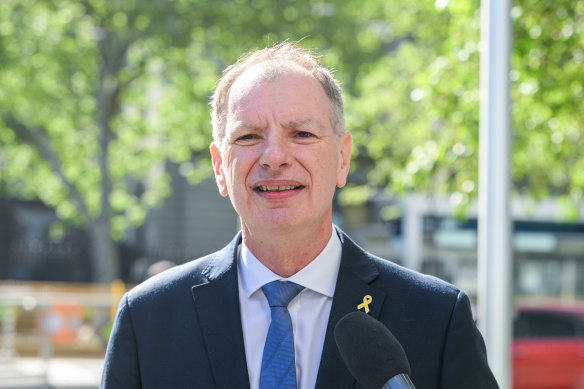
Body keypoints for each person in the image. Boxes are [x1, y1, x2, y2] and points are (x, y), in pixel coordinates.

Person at [101, 42, 498, 389]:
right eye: (249, 137)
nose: (275, 157)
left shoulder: (436, 318)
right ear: (220, 167)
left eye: (302, 135)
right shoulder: (149, 319)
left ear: (342, 158)